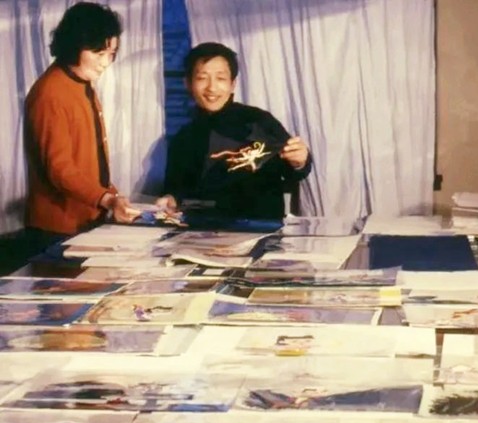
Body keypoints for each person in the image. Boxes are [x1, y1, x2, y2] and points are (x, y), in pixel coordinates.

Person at [23, 2, 138, 256]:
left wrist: (113, 196)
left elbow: (89, 161)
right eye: (99, 53)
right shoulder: (50, 93)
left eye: (111, 53)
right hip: (56, 229)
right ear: (74, 46)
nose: (106, 63)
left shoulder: (79, 82)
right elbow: (60, 170)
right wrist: (107, 199)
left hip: (83, 221)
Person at [158, 42, 312, 220]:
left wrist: (299, 161)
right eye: (202, 78)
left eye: (220, 78)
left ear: (233, 84)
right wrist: (170, 199)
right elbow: (174, 190)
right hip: (201, 229)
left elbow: (294, 172)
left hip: (259, 227)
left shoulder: (258, 121)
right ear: (188, 84)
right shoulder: (184, 137)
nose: (211, 88)